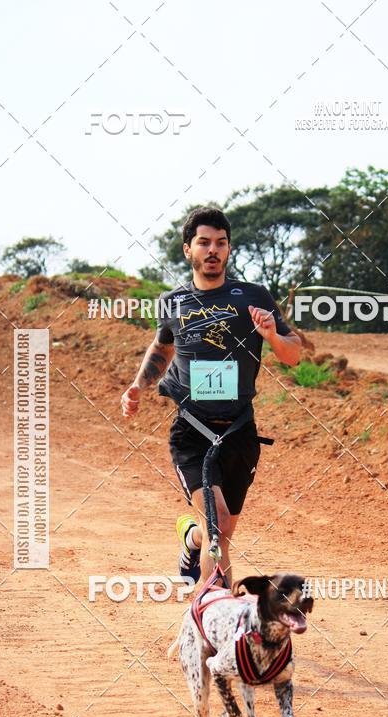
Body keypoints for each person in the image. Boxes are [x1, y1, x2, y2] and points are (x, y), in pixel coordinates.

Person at [121, 206, 301, 586]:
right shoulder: (174, 302)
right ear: (188, 249)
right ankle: (209, 626)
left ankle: (191, 539)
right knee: (218, 525)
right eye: (204, 243)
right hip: (192, 431)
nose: (213, 250)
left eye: (221, 243)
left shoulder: (252, 297)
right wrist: (139, 385)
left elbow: (294, 353)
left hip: (240, 432)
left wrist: (270, 336)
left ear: (229, 250)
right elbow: (162, 347)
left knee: (219, 534)